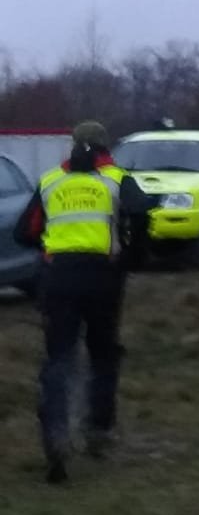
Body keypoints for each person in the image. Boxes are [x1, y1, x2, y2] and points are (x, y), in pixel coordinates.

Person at [11, 120, 151, 484]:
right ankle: (98, 431)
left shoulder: (50, 181)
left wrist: (48, 249)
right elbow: (142, 210)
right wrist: (132, 255)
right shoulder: (117, 180)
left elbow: (23, 232)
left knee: (59, 358)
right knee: (103, 354)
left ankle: (55, 435)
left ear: (72, 146)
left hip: (58, 278)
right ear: (105, 147)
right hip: (104, 276)